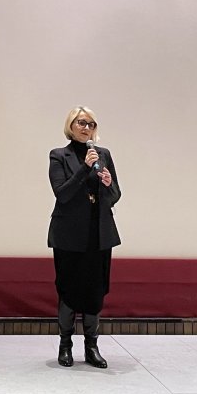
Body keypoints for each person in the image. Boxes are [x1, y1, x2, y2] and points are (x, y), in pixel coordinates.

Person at [47, 106, 121, 368]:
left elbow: (115, 196)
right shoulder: (59, 155)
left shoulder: (104, 155)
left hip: (98, 233)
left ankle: (92, 347)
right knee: (69, 289)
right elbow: (62, 194)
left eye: (91, 123)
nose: (86, 127)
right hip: (69, 235)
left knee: (95, 290)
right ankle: (65, 345)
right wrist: (84, 168)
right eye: (81, 122)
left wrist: (108, 184)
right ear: (71, 126)